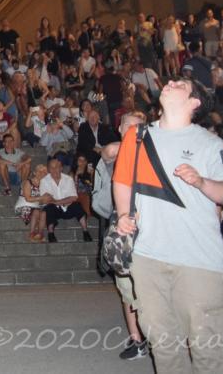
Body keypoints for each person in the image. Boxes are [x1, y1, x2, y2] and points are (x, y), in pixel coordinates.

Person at [114, 79, 223, 372]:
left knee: (209, 352)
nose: (170, 82)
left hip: (199, 259)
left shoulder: (209, 144)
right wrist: (123, 215)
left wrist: (202, 182)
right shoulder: (137, 137)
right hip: (148, 257)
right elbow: (122, 181)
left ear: (195, 102)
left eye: (180, 84)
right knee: (165, 350)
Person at [91, 110, 149, 361]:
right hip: (123, 228)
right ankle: (136, 339)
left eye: (139, 126)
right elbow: (107, 152)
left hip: (152, 226)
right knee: (126, 288)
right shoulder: (117, 150)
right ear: (121, 129)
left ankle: (157, 334)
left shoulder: (153, 151)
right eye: (129, 126)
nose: (134, 130)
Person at [39, 156, 91, 243]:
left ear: (61, 168)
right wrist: (62, 201)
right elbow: (45, 199)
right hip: (55, 209)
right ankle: (51, 233)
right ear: (48, 169)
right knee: (49, 208)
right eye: (51, 167)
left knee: (77, 206)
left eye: (56, 167)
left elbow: (74, 197)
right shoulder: (44, 181)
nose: (54, 170)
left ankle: (85, 231)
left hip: (68, 207)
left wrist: (57, 201)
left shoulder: (68, 179)